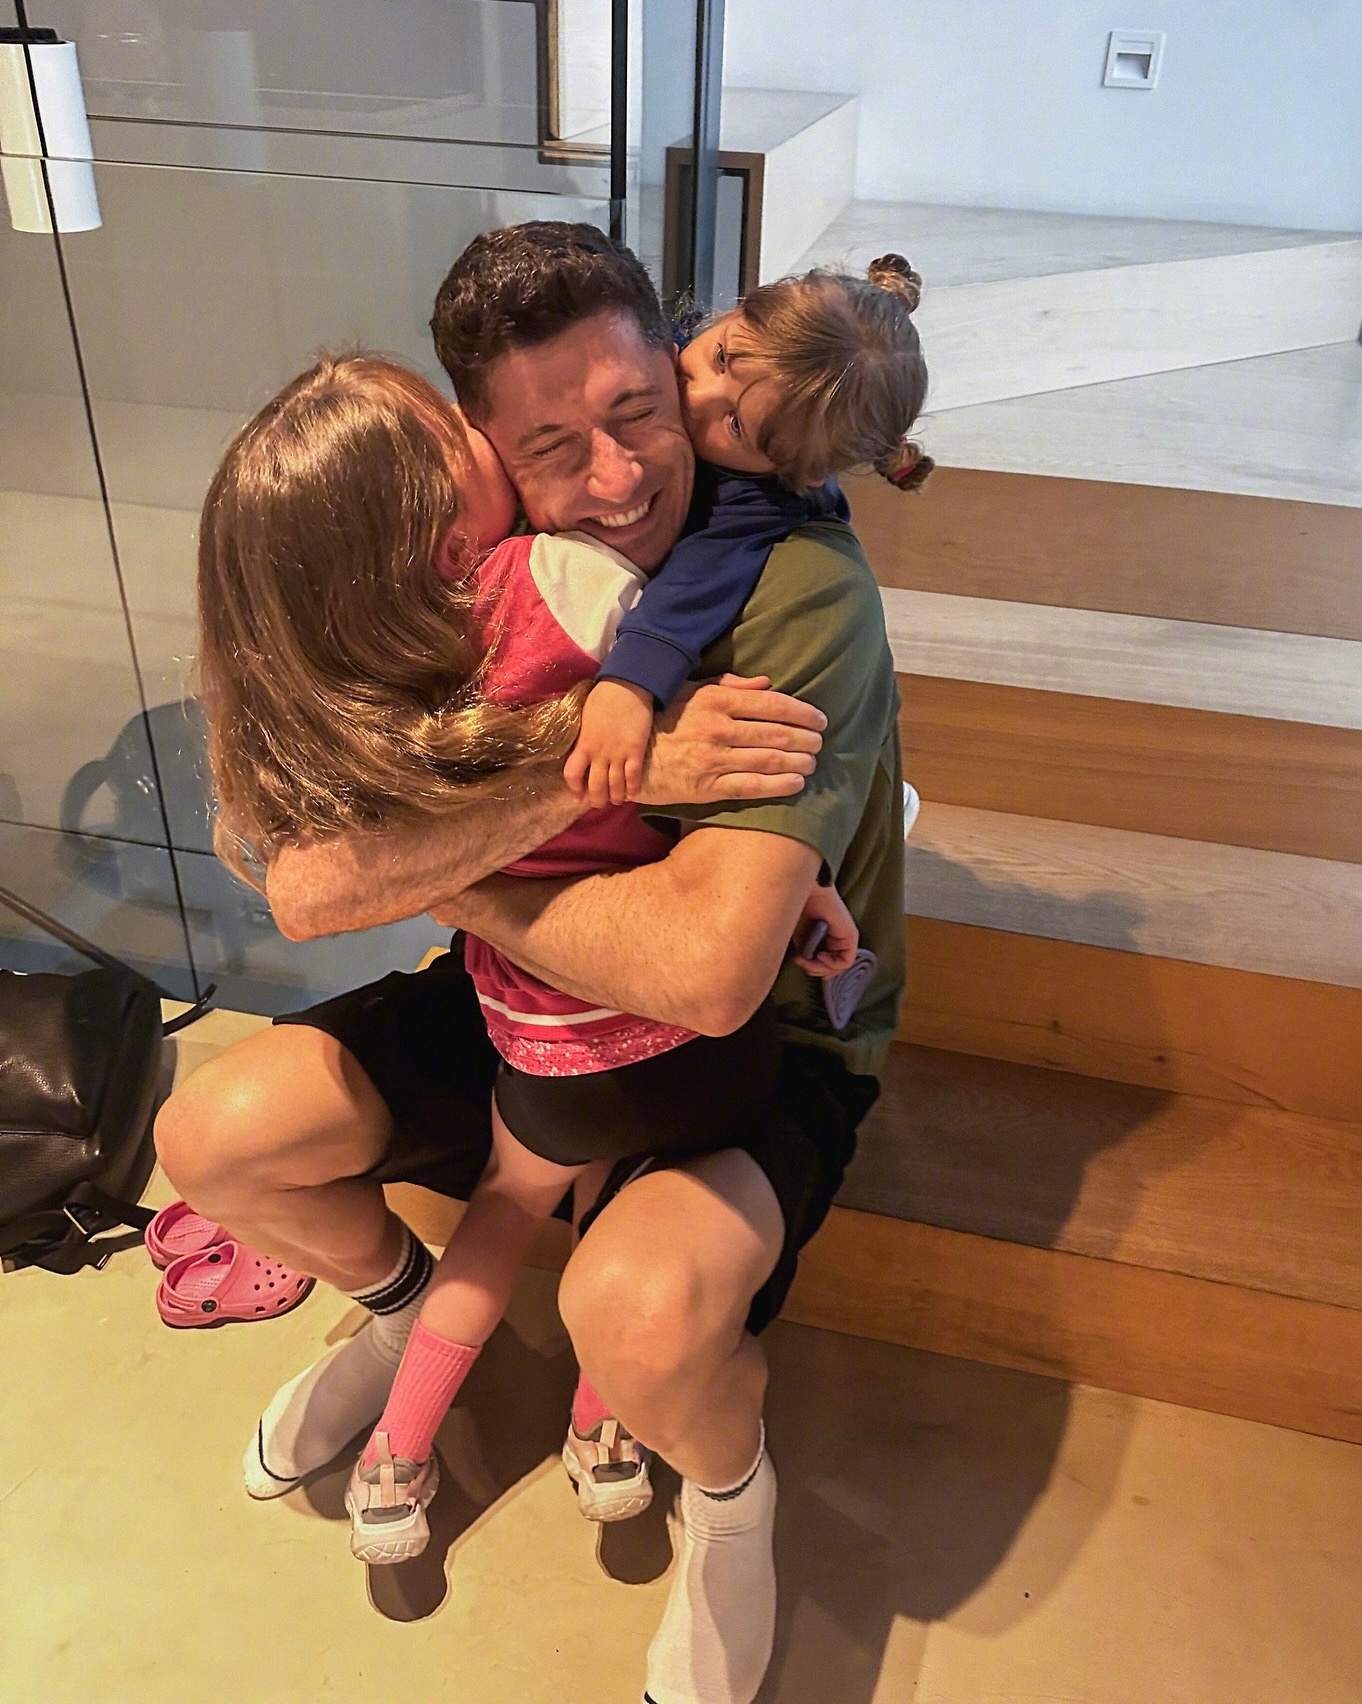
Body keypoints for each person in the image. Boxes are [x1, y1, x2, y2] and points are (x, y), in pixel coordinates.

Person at [156, 220, 909, 1704]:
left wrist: (438, 864)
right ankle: (399, 1314)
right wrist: (588, 778)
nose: (616, 477)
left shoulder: (793, 586)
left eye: (638, 411)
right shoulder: (474, 567)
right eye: (554, 445)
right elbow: (304, 884)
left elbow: (705, 969)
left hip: (758, 1034)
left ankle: (732, 1494)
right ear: (483, 456)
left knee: (631, 1311)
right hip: (528, 1005)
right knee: (215, 1136)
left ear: (682, 367)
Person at [566, 251, 932, 810]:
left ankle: (880, 805)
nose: (696, 394)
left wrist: (628, 685)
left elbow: (692, 586)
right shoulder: (677, 346)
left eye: (735, 424)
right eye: (721, 357)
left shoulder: (760, 503)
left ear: (802, 472)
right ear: (739, 310)